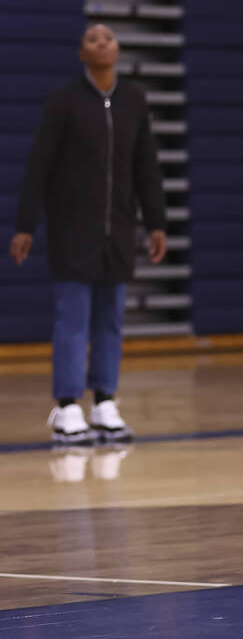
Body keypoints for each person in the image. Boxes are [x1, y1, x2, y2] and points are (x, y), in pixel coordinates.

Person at [10, 24, 167, 446]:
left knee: (111, 319)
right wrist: (25, 225)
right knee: (73, 320)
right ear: (82, 52)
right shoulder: (63, 101)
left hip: (117, 229)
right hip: (71, 230)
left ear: (117, 49)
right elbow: (38, 166)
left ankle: (104, 402)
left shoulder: (134, 100)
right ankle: (66, 406)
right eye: (93, 38)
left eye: (109, 37)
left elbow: (146, 168)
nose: (102, 42)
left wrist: (156, 222)